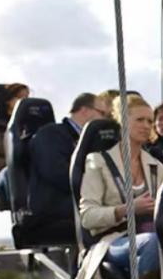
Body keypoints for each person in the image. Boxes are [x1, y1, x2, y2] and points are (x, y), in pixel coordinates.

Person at [74, 94, 163, 279]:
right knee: (151, 242)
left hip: (149, 233)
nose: (147, 126)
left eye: (150, 121)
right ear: (123, 122)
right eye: (140, 120)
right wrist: (128, 209)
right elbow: (87, 216)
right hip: (112, 240)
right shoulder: (98, 162)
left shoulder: (155, 166)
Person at [27, 93, 107, 226]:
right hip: (56, 209)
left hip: (83, 203)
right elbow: (56, 172)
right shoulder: (50, 134)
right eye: (102, 113)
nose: (105, 119)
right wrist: (98, 187)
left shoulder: (95, 141)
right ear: (84, 111)